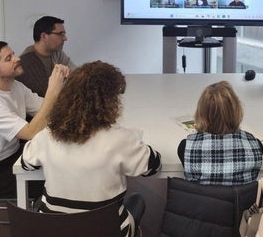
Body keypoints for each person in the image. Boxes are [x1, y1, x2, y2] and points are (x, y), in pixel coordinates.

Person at [22, 61, 161, 237]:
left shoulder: (48, 134)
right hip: (107, 231)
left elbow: (26, 164)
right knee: (137, 200)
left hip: (54, 229)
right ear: (109, 102)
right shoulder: (120, 138)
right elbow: (153, 167)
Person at [0, 41, 68, 199]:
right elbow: (31, 133)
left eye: (14, 54)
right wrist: (52, 90)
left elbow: (46, 109)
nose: (17, 58)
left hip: (13, 153)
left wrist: (61, 86)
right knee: (57, 177)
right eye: (8, 58)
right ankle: (47, 219)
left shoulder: (16, 86)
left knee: (62, 158)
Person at [177, 81, 263, 185]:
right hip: (242, 201)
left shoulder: (185, 147)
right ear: (236, 110)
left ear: (200, 112)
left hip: (199, 201)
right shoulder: (255, 146)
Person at [17, 16, 76, 97]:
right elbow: (49, 94)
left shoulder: (56, 52)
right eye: (61, 34)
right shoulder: (28, 61)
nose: (65, 38)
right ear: (44, 36)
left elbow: (77, 75)